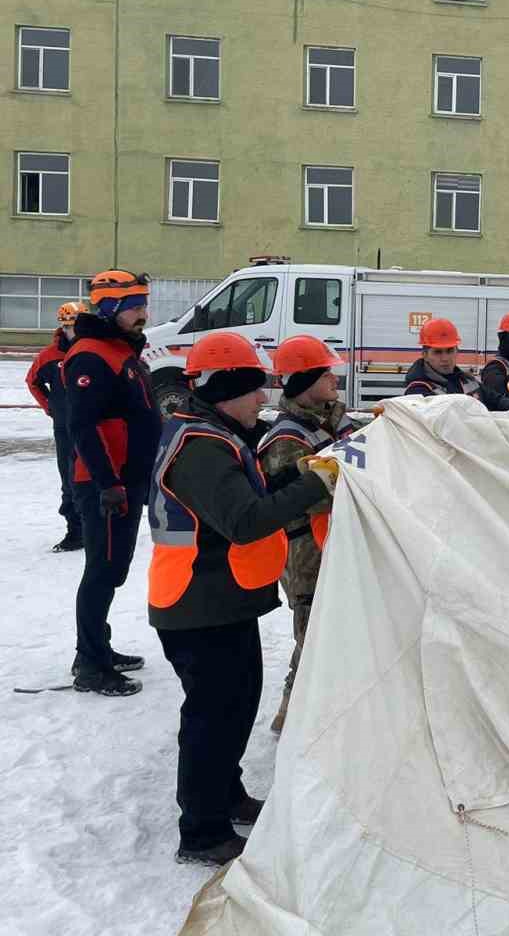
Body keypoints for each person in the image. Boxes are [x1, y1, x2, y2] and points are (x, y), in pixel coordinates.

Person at [147, 331, 337, 866]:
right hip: (196, 603)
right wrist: (316, 482)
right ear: (227, 388)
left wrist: (306, 475)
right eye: (255, 388)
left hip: (221, 598)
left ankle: (224, 795)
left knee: (233, 708)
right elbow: (245, 520)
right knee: (213, 715)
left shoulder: (215, 434)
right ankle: (203, 830)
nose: (264, 399)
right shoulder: (200, 447)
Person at [258, 335, 363, 735]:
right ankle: (292, 713)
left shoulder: (324, 420)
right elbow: (309, 497)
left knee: (328, 628)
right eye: (326, 373)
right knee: (313, 634)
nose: (335, 379)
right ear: (305, 380)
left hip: (327, 542)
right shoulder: (287, 439)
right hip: (305, 552)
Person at [64, 270, 162, 697]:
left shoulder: (118, 349)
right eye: (135, 306)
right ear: (110, 308)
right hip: (106, 484)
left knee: (113, 568)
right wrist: (108, 483)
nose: (144, 313)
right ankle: (90, 664)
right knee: (102, 571)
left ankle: (97, 645)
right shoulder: (90, 355)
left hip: (128, 478)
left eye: (143, 304)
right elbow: (81, 426)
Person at [27, 301, 86, 552]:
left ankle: (101, 527)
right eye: (68, 326)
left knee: (99, 476)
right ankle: (75, 531)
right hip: (65, 428)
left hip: (96, 426)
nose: (71, 331)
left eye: (76, 326)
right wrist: (50, 407)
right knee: (70, 479)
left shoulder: (93, 352)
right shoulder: (49, 356)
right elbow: (32, 382)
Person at [402, 317, 480, 397]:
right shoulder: (418, 391)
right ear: (425, 355)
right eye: (438, 352)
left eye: (450, 351)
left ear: (457, 351)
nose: (445, 358)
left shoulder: (468, 380)